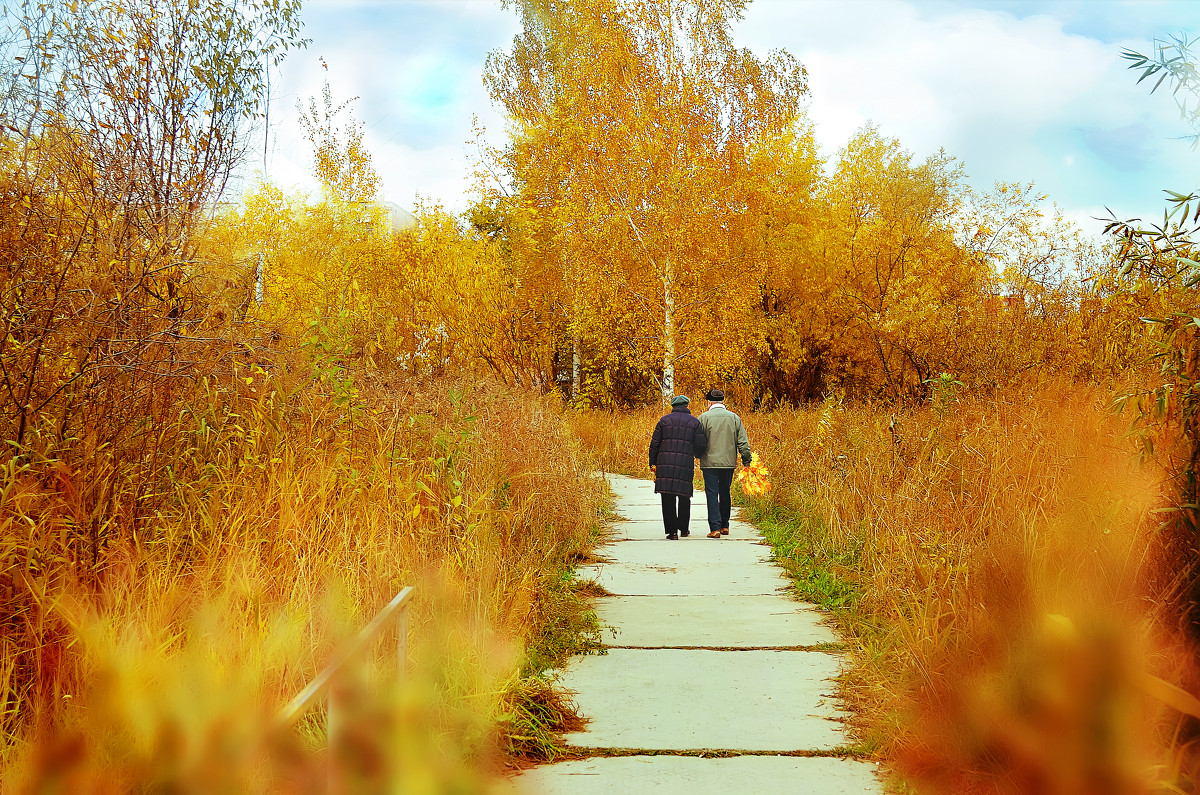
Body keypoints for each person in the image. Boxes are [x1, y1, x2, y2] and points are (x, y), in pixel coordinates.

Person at [648, 395, 708, 540]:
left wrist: (653, 462)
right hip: (685, 463)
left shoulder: (664, 421)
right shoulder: (694, 422)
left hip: (665, 463)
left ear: (673, 406)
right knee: (684, 495)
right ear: (687, 406)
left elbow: (655, 444)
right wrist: (695, 454)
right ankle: (684, 528)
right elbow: (700, 444)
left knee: (667, 496)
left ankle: (672, 532)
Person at [697, 388, 752, 539]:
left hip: (709, 463)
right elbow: (743, 442)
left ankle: (714, 528)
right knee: (725, 492)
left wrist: (697, 455)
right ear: (723, 401)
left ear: (709, 402)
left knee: (712, 494)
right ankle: (725, 525)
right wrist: (746, 460)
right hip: (728, 463)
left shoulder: (703, 418)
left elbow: (698, 441)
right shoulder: (734, 418)